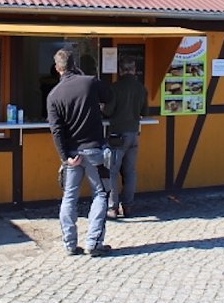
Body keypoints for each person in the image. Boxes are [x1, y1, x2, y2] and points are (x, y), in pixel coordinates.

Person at [46, 48, 113, 257]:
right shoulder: (90, 82)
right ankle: (94, 242)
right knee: (101, 194)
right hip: (94, 151)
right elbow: (110, 95)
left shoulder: (53, 95)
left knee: (69, 197)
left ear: (57, 68)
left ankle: (69, 244)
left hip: (72, 154)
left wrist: (64, 157)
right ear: (75, 64)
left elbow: (56, 130)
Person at [103, 56, 148, 219]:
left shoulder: (115, 88)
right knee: (130, 172)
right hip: (134, 134)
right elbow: (145, 112)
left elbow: (108, 111)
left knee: (113, 172)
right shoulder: (141, 88)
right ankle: (128, 207)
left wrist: (102, 107)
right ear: (134, 70)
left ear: (120, 71)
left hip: (117, 135)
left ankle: (113, 208)